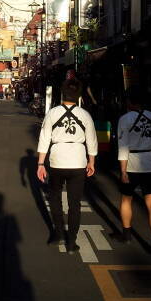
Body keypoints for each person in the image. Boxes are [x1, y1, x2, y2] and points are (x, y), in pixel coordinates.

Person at [36, 78, 98, 253]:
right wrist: (91, 161)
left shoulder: (53, 113)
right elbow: (92, 141)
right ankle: (72, 242)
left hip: (57, 160)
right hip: (79, 160)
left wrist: (41, 163)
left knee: (55, 198)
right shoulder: (85, 115)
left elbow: (44, 139)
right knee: (75, 203)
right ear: (78, 95)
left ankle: (58, 234)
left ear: (62, 94)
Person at [117, 85, 151, 257]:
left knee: (126, 200)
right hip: (150, 162)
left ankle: (127, 235)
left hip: (131, 164)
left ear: (129, 102)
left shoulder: (125, 119)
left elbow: (123, 147)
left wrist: (123, 171)